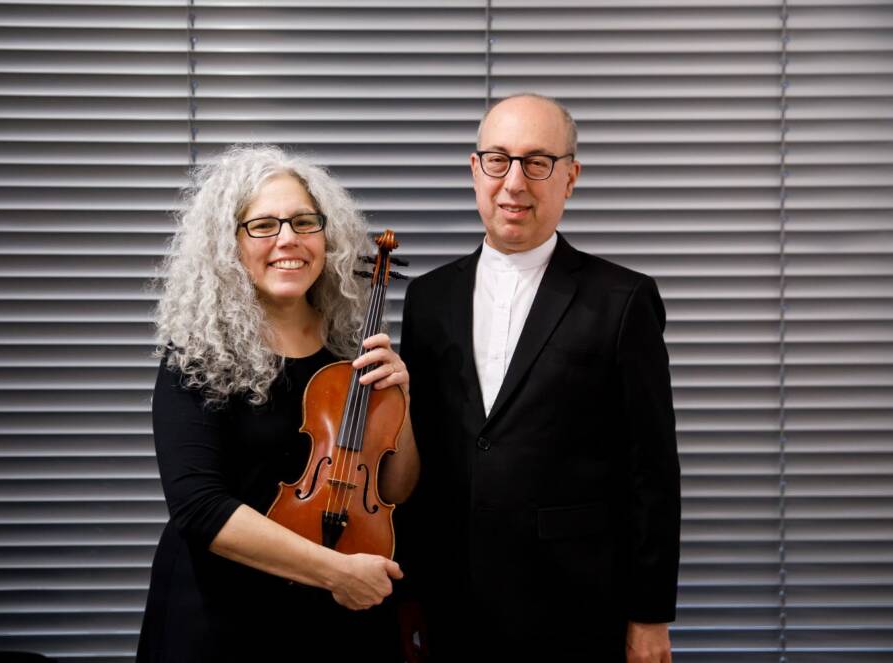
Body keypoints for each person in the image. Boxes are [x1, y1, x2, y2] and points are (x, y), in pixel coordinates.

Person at [398, 94, 680, 662]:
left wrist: (649, 617)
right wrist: (409, 597)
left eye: (538, 162)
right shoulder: (427, 298)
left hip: (575, 606)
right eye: (498, 160)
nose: (514, 182)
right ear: (474, 170)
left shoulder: (623, 300)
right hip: (453, 602)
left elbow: (652, 472)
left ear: (570, 177)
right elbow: (419, 459)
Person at [137, 144, 419, 662]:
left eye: (303, 222)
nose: (287, 239)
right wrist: (335, 571)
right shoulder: (198, 355)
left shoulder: (349, 348)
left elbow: (393, 488)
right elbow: (200, 509)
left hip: (334, 622)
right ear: (231, 246)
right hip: (224, 618)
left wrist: (399, 402)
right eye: (263, 225)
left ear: (325, 238)